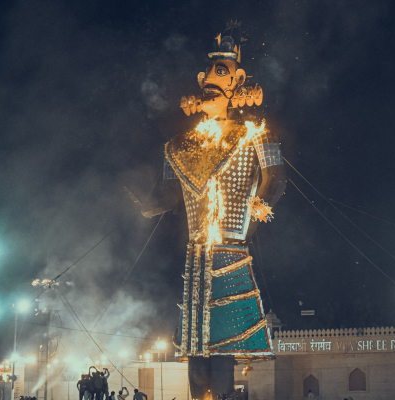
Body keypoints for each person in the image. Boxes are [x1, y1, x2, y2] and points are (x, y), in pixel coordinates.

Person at [141, 23, 286, 400]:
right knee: (195, 347)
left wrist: (256, 214)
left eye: (220, 73)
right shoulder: (181, 145)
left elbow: (276, 180)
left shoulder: (256, 132)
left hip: (230, 250)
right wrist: (143, 205)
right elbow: (169, 194)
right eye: (206, 74)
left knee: (222, 345)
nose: (209, 80)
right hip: (196, 254)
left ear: (237, 81)